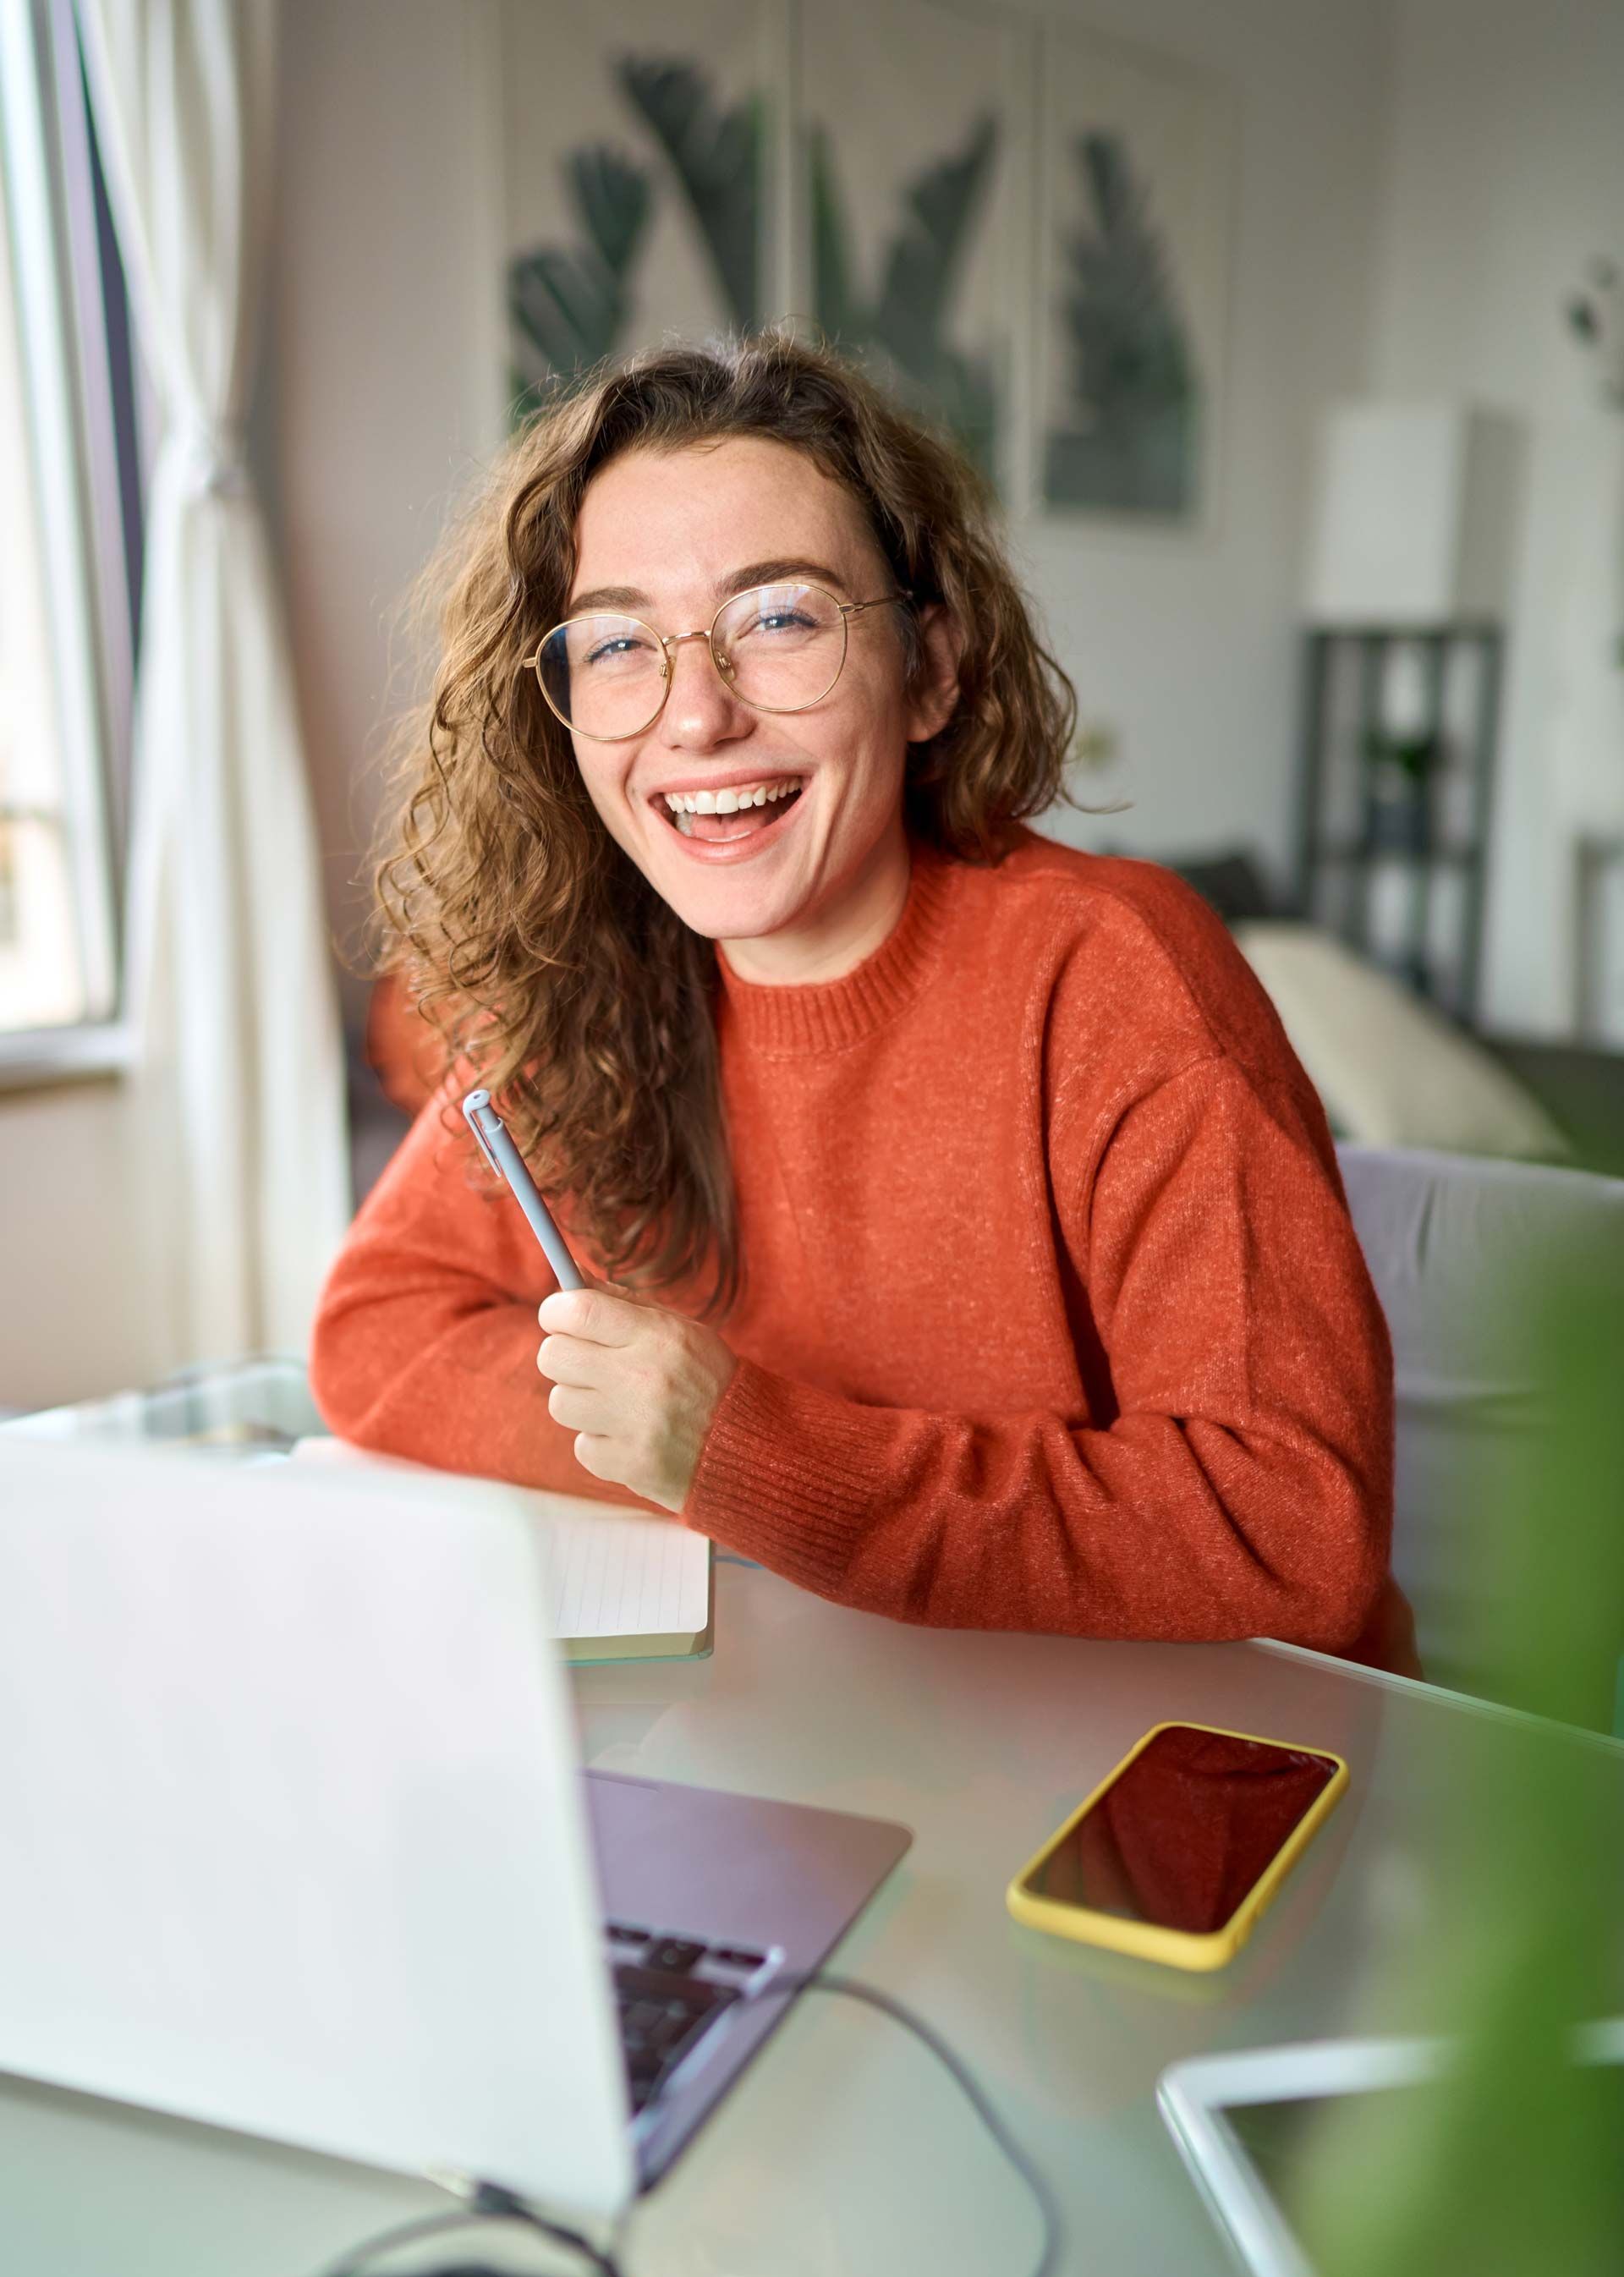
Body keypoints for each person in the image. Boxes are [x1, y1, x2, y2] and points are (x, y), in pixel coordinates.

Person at [310, 332, 1417, 1675]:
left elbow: (1291, 1526)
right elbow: (375, 1329)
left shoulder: (1118, 976)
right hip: (827, 1721)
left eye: (779, 618)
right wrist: (673, 1455)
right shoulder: (587, 985)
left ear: (932, 670)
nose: (695, 715)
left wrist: (756, 1456)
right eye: (618, 644)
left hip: (1197, 1775)